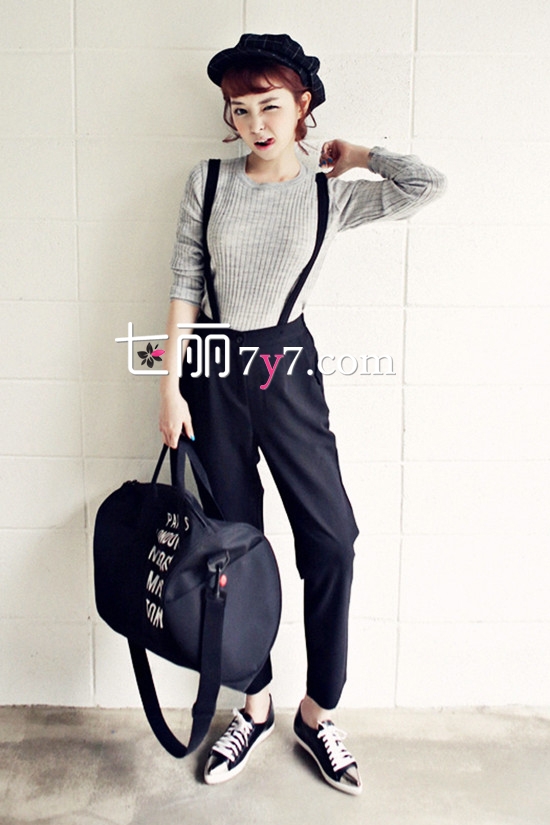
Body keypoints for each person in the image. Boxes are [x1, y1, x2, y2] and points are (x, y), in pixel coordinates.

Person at [159, 33, 446, 794]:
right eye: (240, 109)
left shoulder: (327, 192)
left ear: (302, 106)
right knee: (232, 546)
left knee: (332, 538)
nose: (255, 123)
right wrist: (168, 386)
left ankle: (317, 713)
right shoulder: (208, 181)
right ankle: (253, 703)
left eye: (271, 106)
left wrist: (362, 155)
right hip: (211, 371)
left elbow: (428, 186)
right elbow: (185, 277)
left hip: (287, 369)